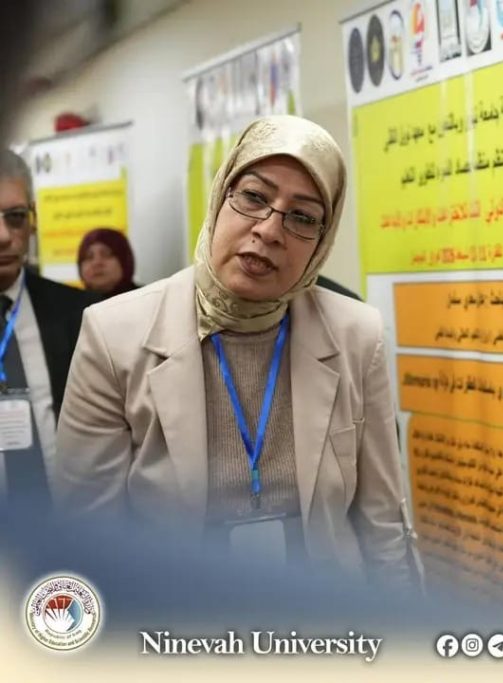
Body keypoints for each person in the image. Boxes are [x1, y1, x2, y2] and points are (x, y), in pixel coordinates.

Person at [53, 116, 421, 590]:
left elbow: (382, 526)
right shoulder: (114, 336)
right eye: (253, 196)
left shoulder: (356, 335)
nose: (269, 230)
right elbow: (89, 538)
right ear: (220, 196)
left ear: (321, 242)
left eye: (302, 217)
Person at [0, 149, 100, 510]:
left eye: (15, 217)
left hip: (70, 525)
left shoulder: (80, 314)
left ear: (33, 221)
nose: (3, 236)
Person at [77, 227, 140, 297]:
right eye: (89, 257)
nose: (96, 263)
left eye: (106, 254)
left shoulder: (146, 298)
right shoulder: (73, 302)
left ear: (125, 262)